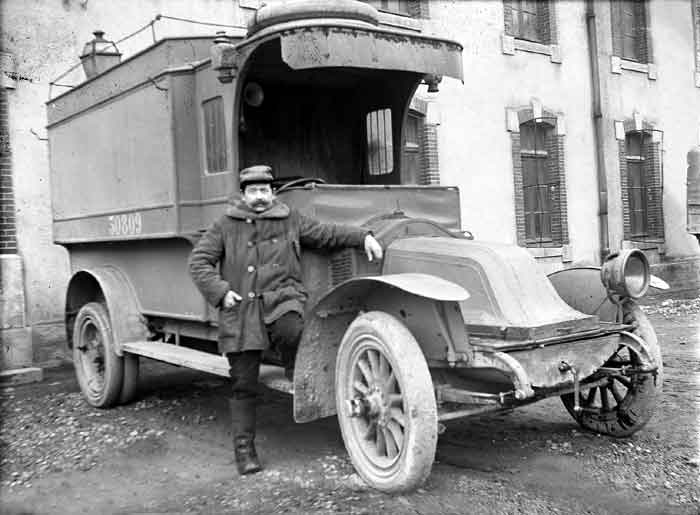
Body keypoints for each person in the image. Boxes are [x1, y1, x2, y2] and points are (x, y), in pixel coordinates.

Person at [188, 165, 383, 475]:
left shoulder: (289, 218)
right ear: (244, 195)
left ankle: (298, 374)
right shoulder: (225, 225)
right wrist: (221, 292)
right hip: (241, 310)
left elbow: (325, 234)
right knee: (243, 382)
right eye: (253, 192)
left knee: (294, 331)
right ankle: (244, 448)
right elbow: (199, 262)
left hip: (282, 301)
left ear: (272, 192)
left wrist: (364, 237)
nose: (259, 197)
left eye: (264, 191)